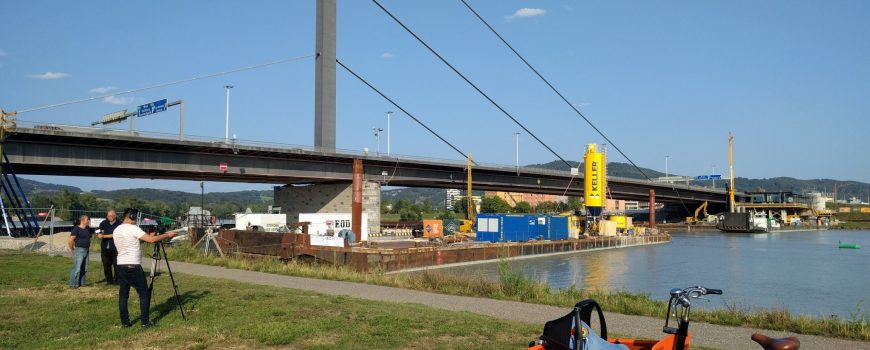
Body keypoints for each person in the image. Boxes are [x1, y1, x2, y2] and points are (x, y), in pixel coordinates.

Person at [112, 208, 177, 328]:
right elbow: (152, 240)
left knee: (123, 295)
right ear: (131, 216)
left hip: (120, 265)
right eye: (135, 217)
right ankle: (145, 322)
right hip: (133, 265)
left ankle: (125, 323)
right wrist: (167, 235)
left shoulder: (117, 230)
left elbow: (133, 241)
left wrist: (147, 237)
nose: (137, 220)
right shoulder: (133, 228)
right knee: (144, 294)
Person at [97, 210, 121, 285]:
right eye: (108, 216)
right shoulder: (103, 223)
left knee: (116, 265)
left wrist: (104, 236)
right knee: (106, 264)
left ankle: (117, 280)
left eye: (111, 216)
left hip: (115, 248)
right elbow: (98, 230)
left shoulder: (120, 224)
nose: (109, 217)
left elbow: (116, 235)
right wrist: (99, 234)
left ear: (115, 216)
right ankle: (109, 281)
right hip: (105, 247)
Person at [68, 215, 92, 289]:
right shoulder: (76, 229)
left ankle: (82, 283)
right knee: (77, 268)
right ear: (82, 220)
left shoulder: (87, 229)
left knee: (85, 268)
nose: (89, 221)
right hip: (79, 250)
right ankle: (72, 284)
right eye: (87, 220)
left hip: (86, 250)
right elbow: (70, 240)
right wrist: (72, 249)